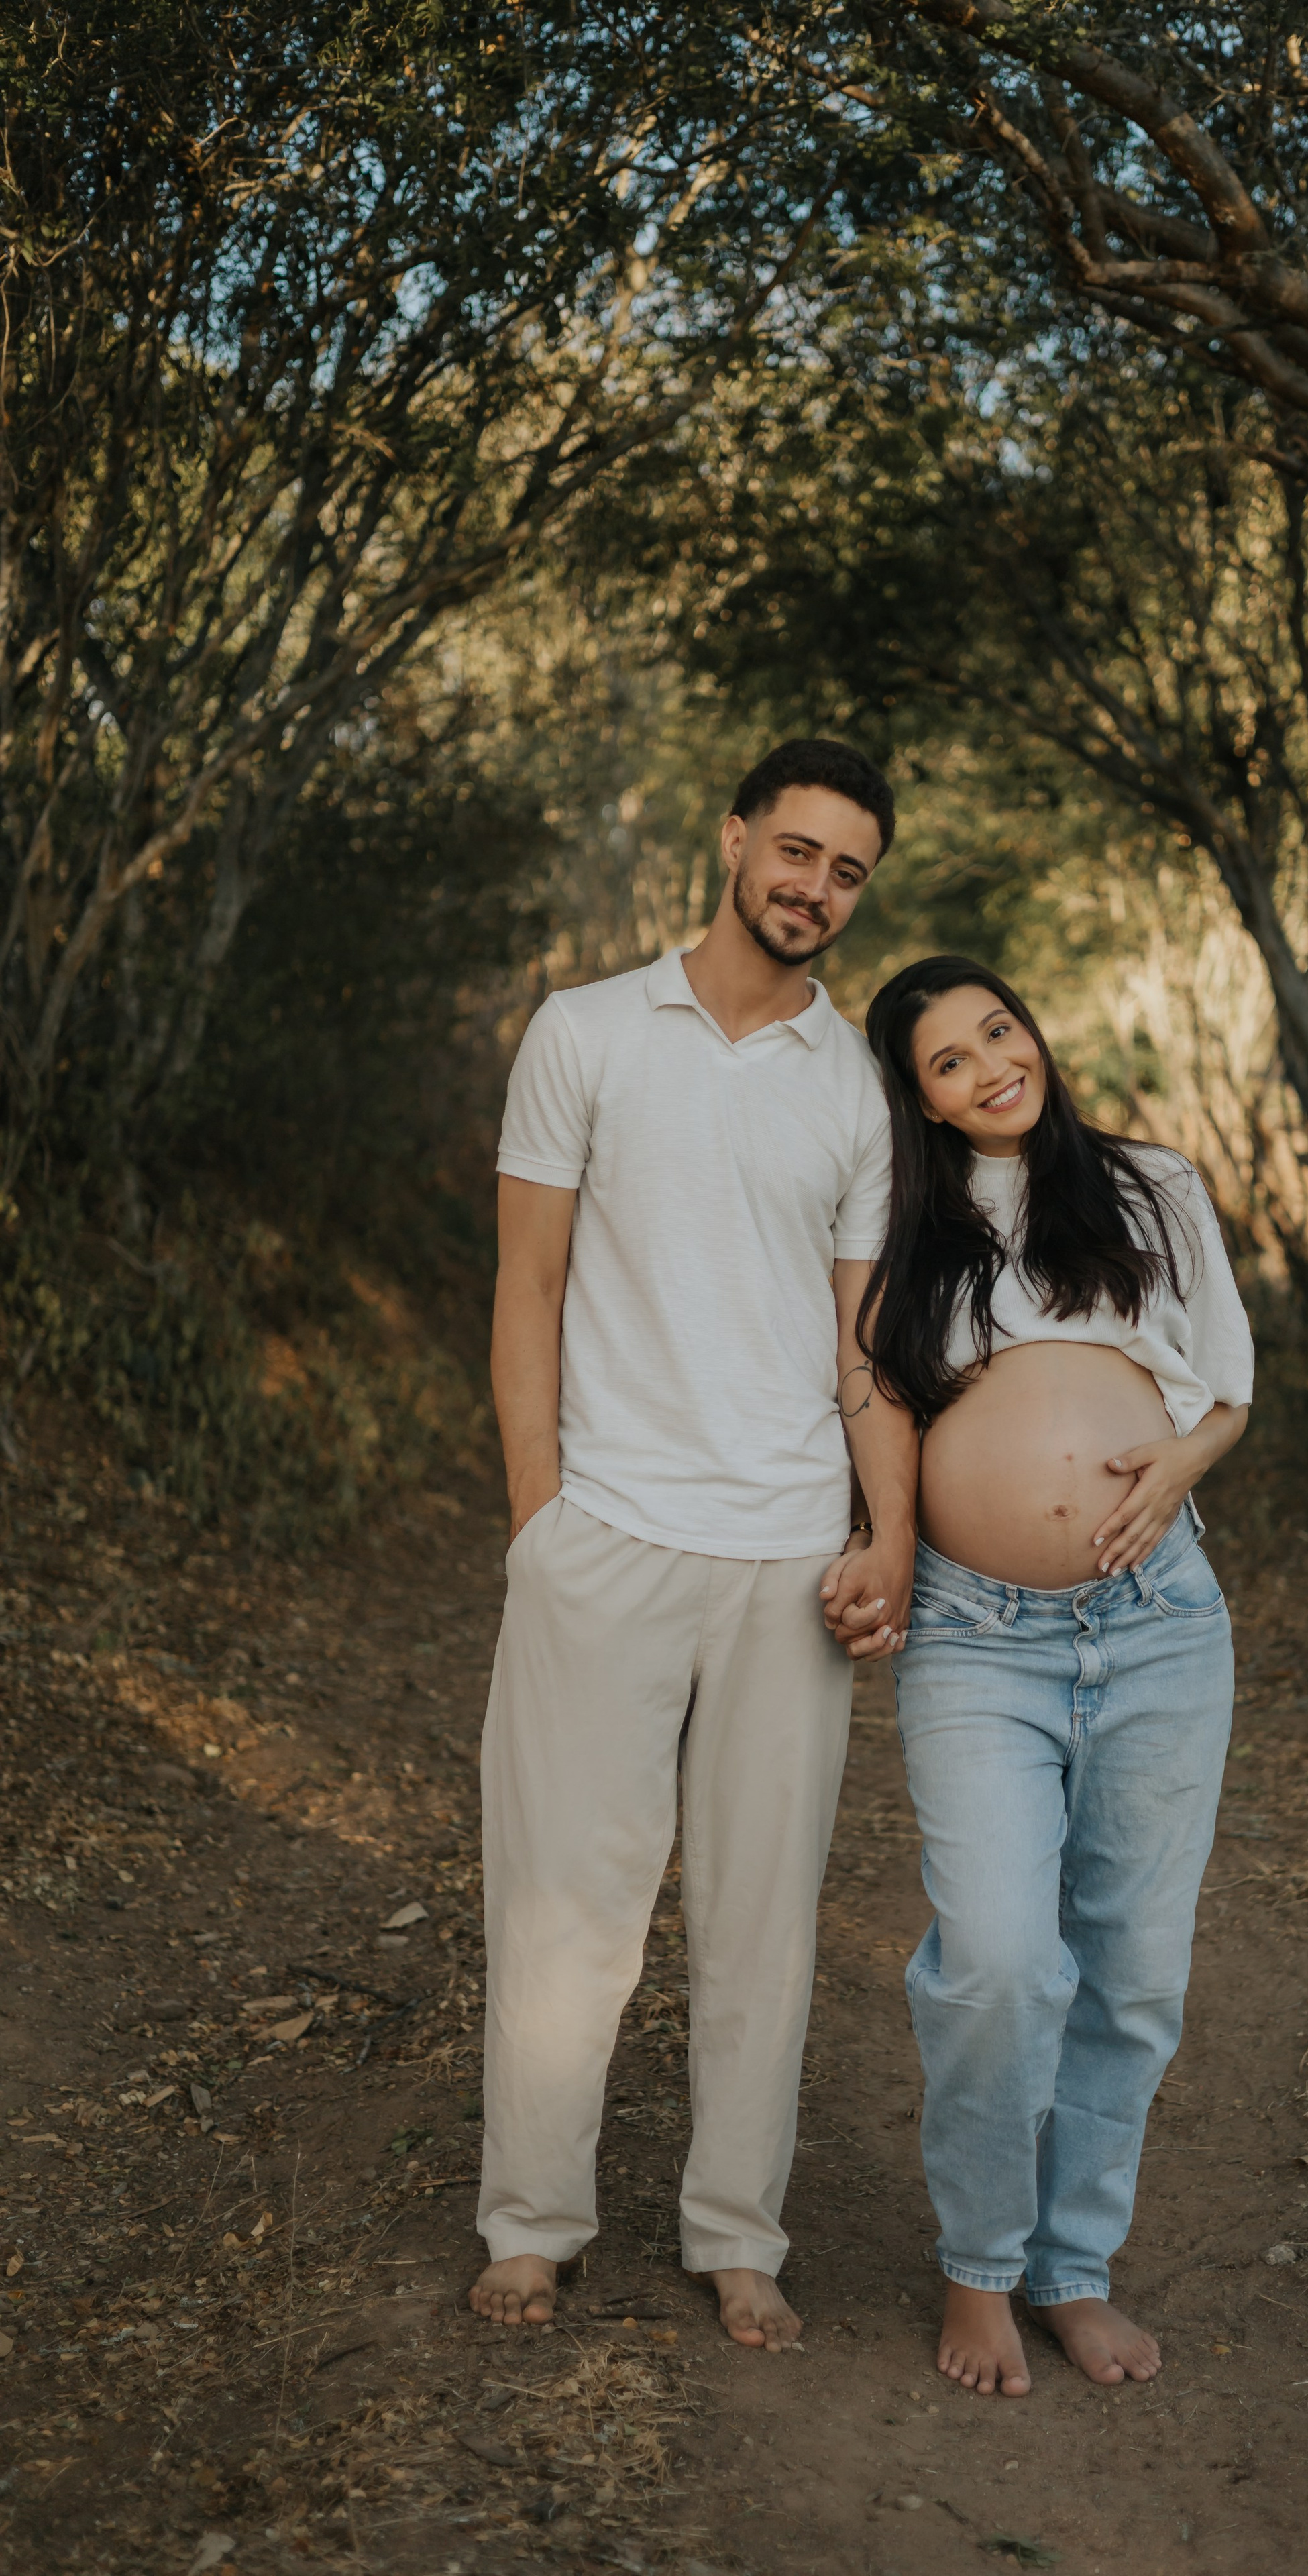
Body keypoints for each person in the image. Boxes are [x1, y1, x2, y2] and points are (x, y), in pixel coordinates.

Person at [468, 739, 917, 2353]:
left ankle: (737, 2232)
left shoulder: (858, 1084)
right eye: (794, 851)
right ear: (733, 842)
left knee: (760, 1913)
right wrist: (541, 1521)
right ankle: (532, 2223)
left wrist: (893, 1537)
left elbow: (863, 1344)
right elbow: (526, 1287)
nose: (812, 888)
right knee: (561, 1900)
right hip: (607, 1533)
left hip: (789, 1555)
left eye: (846, 870)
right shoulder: (584, 1030)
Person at [856, 954, 1253, 2398]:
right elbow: (880, 1402)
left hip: (1157, 1620)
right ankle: (977, 2265)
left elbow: (1225, 1383)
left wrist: (1172, 1472)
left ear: (1034, 1031)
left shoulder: (1150, 1184)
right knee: (1002, 1961)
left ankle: (1070, 2270)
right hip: (975, 1637)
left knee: (1133, 1970)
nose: (984, 1070)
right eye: (945, 1064)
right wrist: (887, 1552)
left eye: (996, 1034)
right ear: (916, 1100)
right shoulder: (903, 1218)